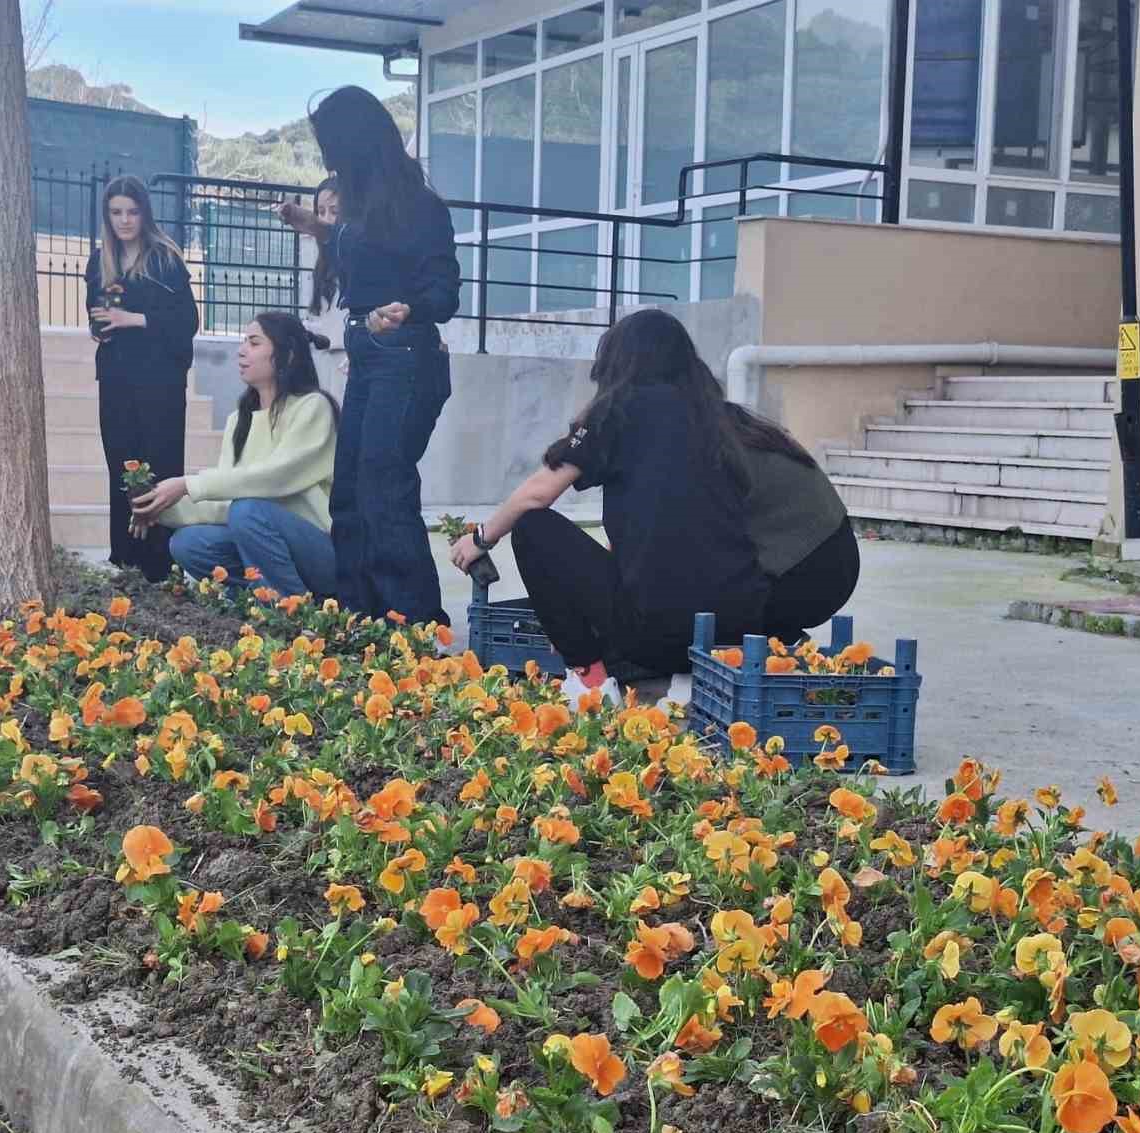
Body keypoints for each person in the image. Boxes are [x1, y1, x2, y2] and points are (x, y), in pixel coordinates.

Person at [449, 309, 859, 705]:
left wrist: (481, 538)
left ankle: (589, 681)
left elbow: (537, 495)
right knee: (697, 570)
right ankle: (731, 658)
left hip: (656, 637)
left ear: (618, 366)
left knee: (533, 528)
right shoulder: (721, 422)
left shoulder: (620, 410)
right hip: (802, 589)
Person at [277, 85, 461, 625]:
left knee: (384, 487)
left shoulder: (418, 206)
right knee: (351, 491)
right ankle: (358, 616)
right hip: (367, 351)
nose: (327, 157)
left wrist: (408, 307)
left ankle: (418, 626)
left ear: (354, 142)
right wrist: (313, 227)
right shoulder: (360, 207)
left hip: (405, 355)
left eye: (330, 143)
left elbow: (445, 289)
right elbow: (358, 252)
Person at [131, 313, 338, 599]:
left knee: (248, 511)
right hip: (260, 536)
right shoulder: (238, 421)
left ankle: (293, 615)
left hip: (321, 552)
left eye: (254, 343)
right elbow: (227, 503)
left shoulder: (313, 408)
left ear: (287, 354)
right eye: (243, 342)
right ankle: (257, 602)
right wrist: (159, 508)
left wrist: (187, 484)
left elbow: (275, 478)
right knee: (189, 543)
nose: (241, 351)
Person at [84, 175, 199, 581]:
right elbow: (94, 317)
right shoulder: (100, 260)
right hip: (116, 378)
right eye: (116, 212)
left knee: (161, 465)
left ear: (144, 213)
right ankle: (125, 559)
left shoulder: (165, 258)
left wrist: (132, 319)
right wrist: (102, 327)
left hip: (160, 382)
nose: (124, 220)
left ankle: (160, 563)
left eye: (132, 212)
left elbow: (187, 321)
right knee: (121, 465)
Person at [301, 175, 348, 384]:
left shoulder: (358, 258)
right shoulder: (318, 260)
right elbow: (317, 317)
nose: (326, 219)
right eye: (320, 212)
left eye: (335, 211)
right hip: (322, 357)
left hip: (349, 359)